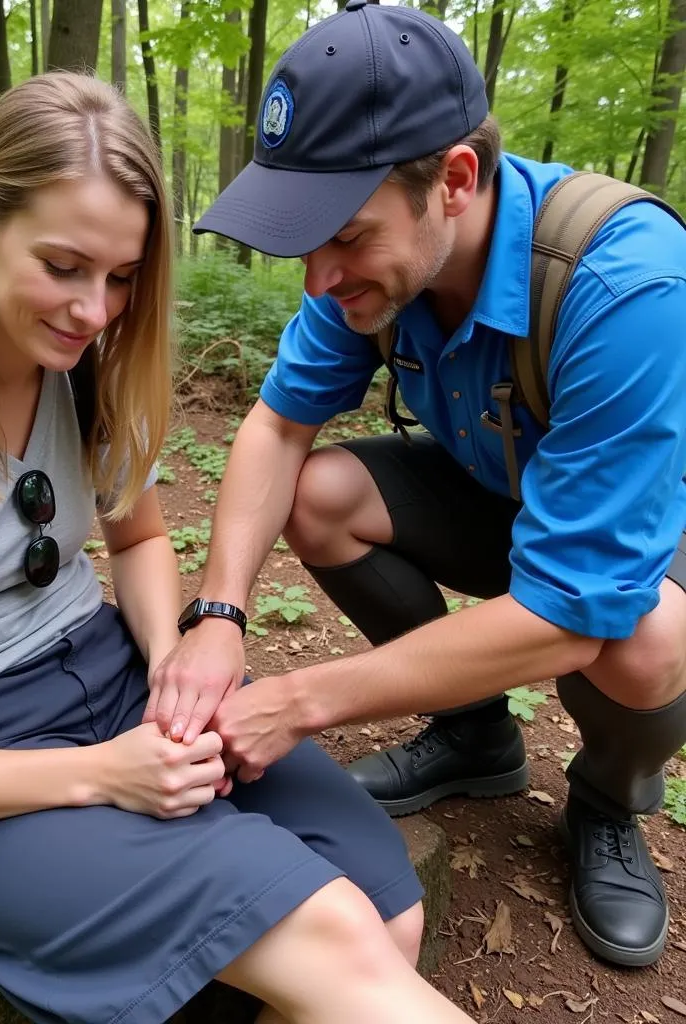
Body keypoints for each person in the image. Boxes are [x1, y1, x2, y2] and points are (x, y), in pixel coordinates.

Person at [0, 72, 477, 1024]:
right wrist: (99, 774)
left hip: (110, 675)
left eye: (122, 276)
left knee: (388, 912)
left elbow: (138, 536)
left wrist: (174, 664)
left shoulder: (80, 362)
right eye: (63, 265)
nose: (94, 311)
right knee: (336, 937)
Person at [154, 0, 686, 972]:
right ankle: (472, 735)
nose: (318, 277)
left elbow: (573, 607)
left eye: (345, 236)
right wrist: (220, 610)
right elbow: (275, 427)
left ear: (454, 180)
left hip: (630, 523)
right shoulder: (371, 271)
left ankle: (609, 800)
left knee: (643, 641)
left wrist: (300, 701)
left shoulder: (626, 283)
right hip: (501, 491)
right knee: (316, 494)